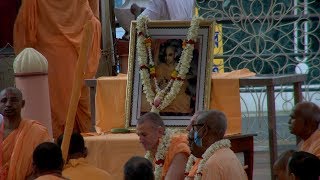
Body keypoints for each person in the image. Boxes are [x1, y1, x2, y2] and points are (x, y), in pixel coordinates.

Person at [14, 0, 101, 138]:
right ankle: (77, 148)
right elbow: (94, 18)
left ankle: (55, 148)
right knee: (76, 101)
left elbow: (26, 27)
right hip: (77, 48)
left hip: (48, 52)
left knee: (52, 105)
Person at [0, 87, 51, 179]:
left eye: (14, 100)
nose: (8, 104)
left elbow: (45, 167)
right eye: (4, 101)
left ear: (22, 104)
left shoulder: (38, 132)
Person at [187, 110, 247, 180]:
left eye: (194, 127)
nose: (189, 129)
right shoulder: (228, 153)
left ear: (204, 130)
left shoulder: (212, 163)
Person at [136, 112, 190, 180]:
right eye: (139, 135)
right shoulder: (153, 152)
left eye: (144, 135)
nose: (140, 140)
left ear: (160, 132)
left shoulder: (179, 148)